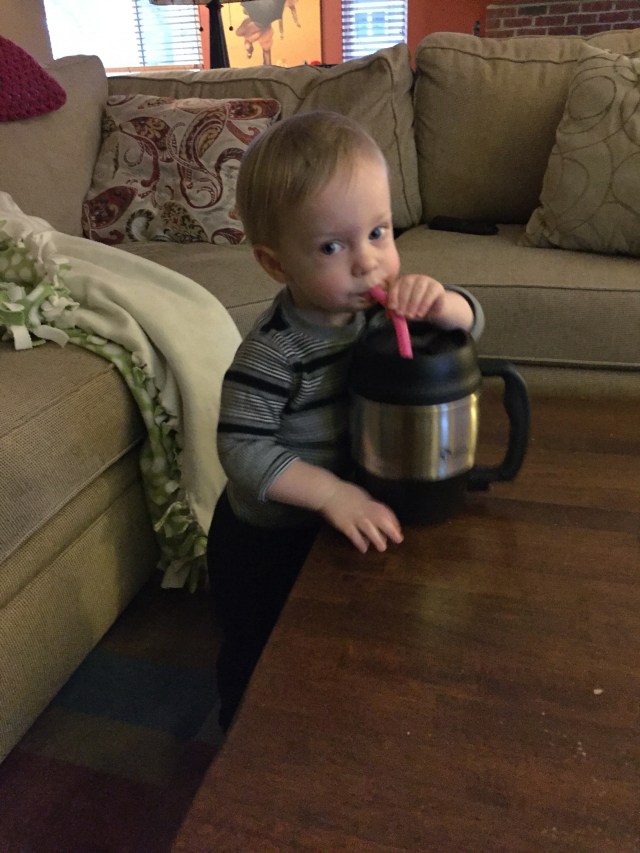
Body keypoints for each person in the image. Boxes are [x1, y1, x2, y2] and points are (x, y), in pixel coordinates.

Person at [207, 111, 484, 731]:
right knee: (258, 652)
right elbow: (242, 449)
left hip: (342, 508)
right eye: (332, 247)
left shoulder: (380, 313)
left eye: (379, 233)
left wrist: (444, 304)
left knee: (333, 636)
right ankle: (242, 735)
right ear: (276, 264)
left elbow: (469, 328)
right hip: (269, 537)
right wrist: (330, 493)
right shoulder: (274, 352)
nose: (368, 264)